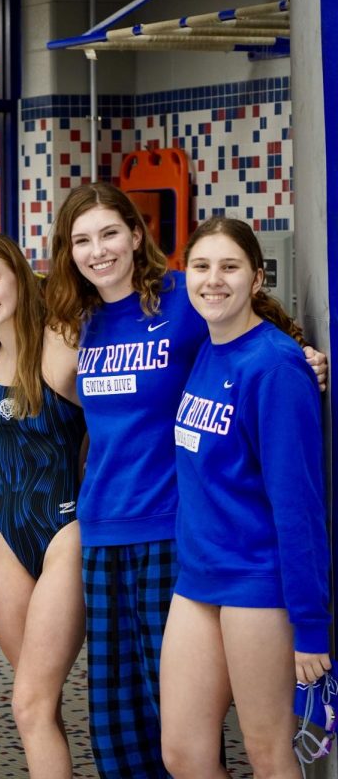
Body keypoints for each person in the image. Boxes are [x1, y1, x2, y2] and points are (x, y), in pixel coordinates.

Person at [44, 182, 327, 777]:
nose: (98, 250)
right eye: (82, 240)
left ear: (138, 234)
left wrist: (306, 356)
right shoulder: (90, 321)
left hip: (201, 547)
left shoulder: (191, 309)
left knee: (255, 744)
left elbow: (295, 495)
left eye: (109, 233)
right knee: (156, 739)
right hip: (142, 547)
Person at [160, 216, 331, 777]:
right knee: (183, 753)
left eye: (230, 267)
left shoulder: (276, 366)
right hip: (197, 579)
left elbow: (299, 505)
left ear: (257, 279)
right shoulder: (206, 350)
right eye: (202, 267)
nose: (214, 280)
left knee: (268, 755)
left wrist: (311, 625)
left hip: (258, 584)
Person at [0, 234, 86, 778]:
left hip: (66, 526)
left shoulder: (65, 339)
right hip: (7, 529)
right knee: (37, 701)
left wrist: (297, 350)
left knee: (28, 703)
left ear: (18, 276)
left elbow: (127, 417)